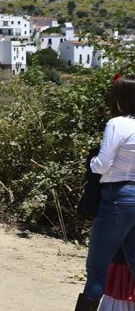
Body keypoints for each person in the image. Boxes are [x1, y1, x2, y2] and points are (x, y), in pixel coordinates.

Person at [77, 75, 135, 310]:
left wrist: (91, 163)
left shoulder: (117, 124)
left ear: (120, 98)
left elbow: (101, 165)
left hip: (117, 197)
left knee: (97, 269)